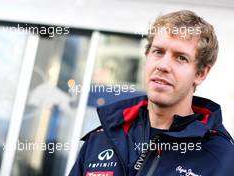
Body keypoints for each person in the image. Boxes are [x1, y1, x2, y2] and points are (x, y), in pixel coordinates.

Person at [69, 10, 234, 176]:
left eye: (181, 58)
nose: (163, 65)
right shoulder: (101, 139)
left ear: (200, 74)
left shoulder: (223, 158)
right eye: (159, 52)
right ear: (147, 56)